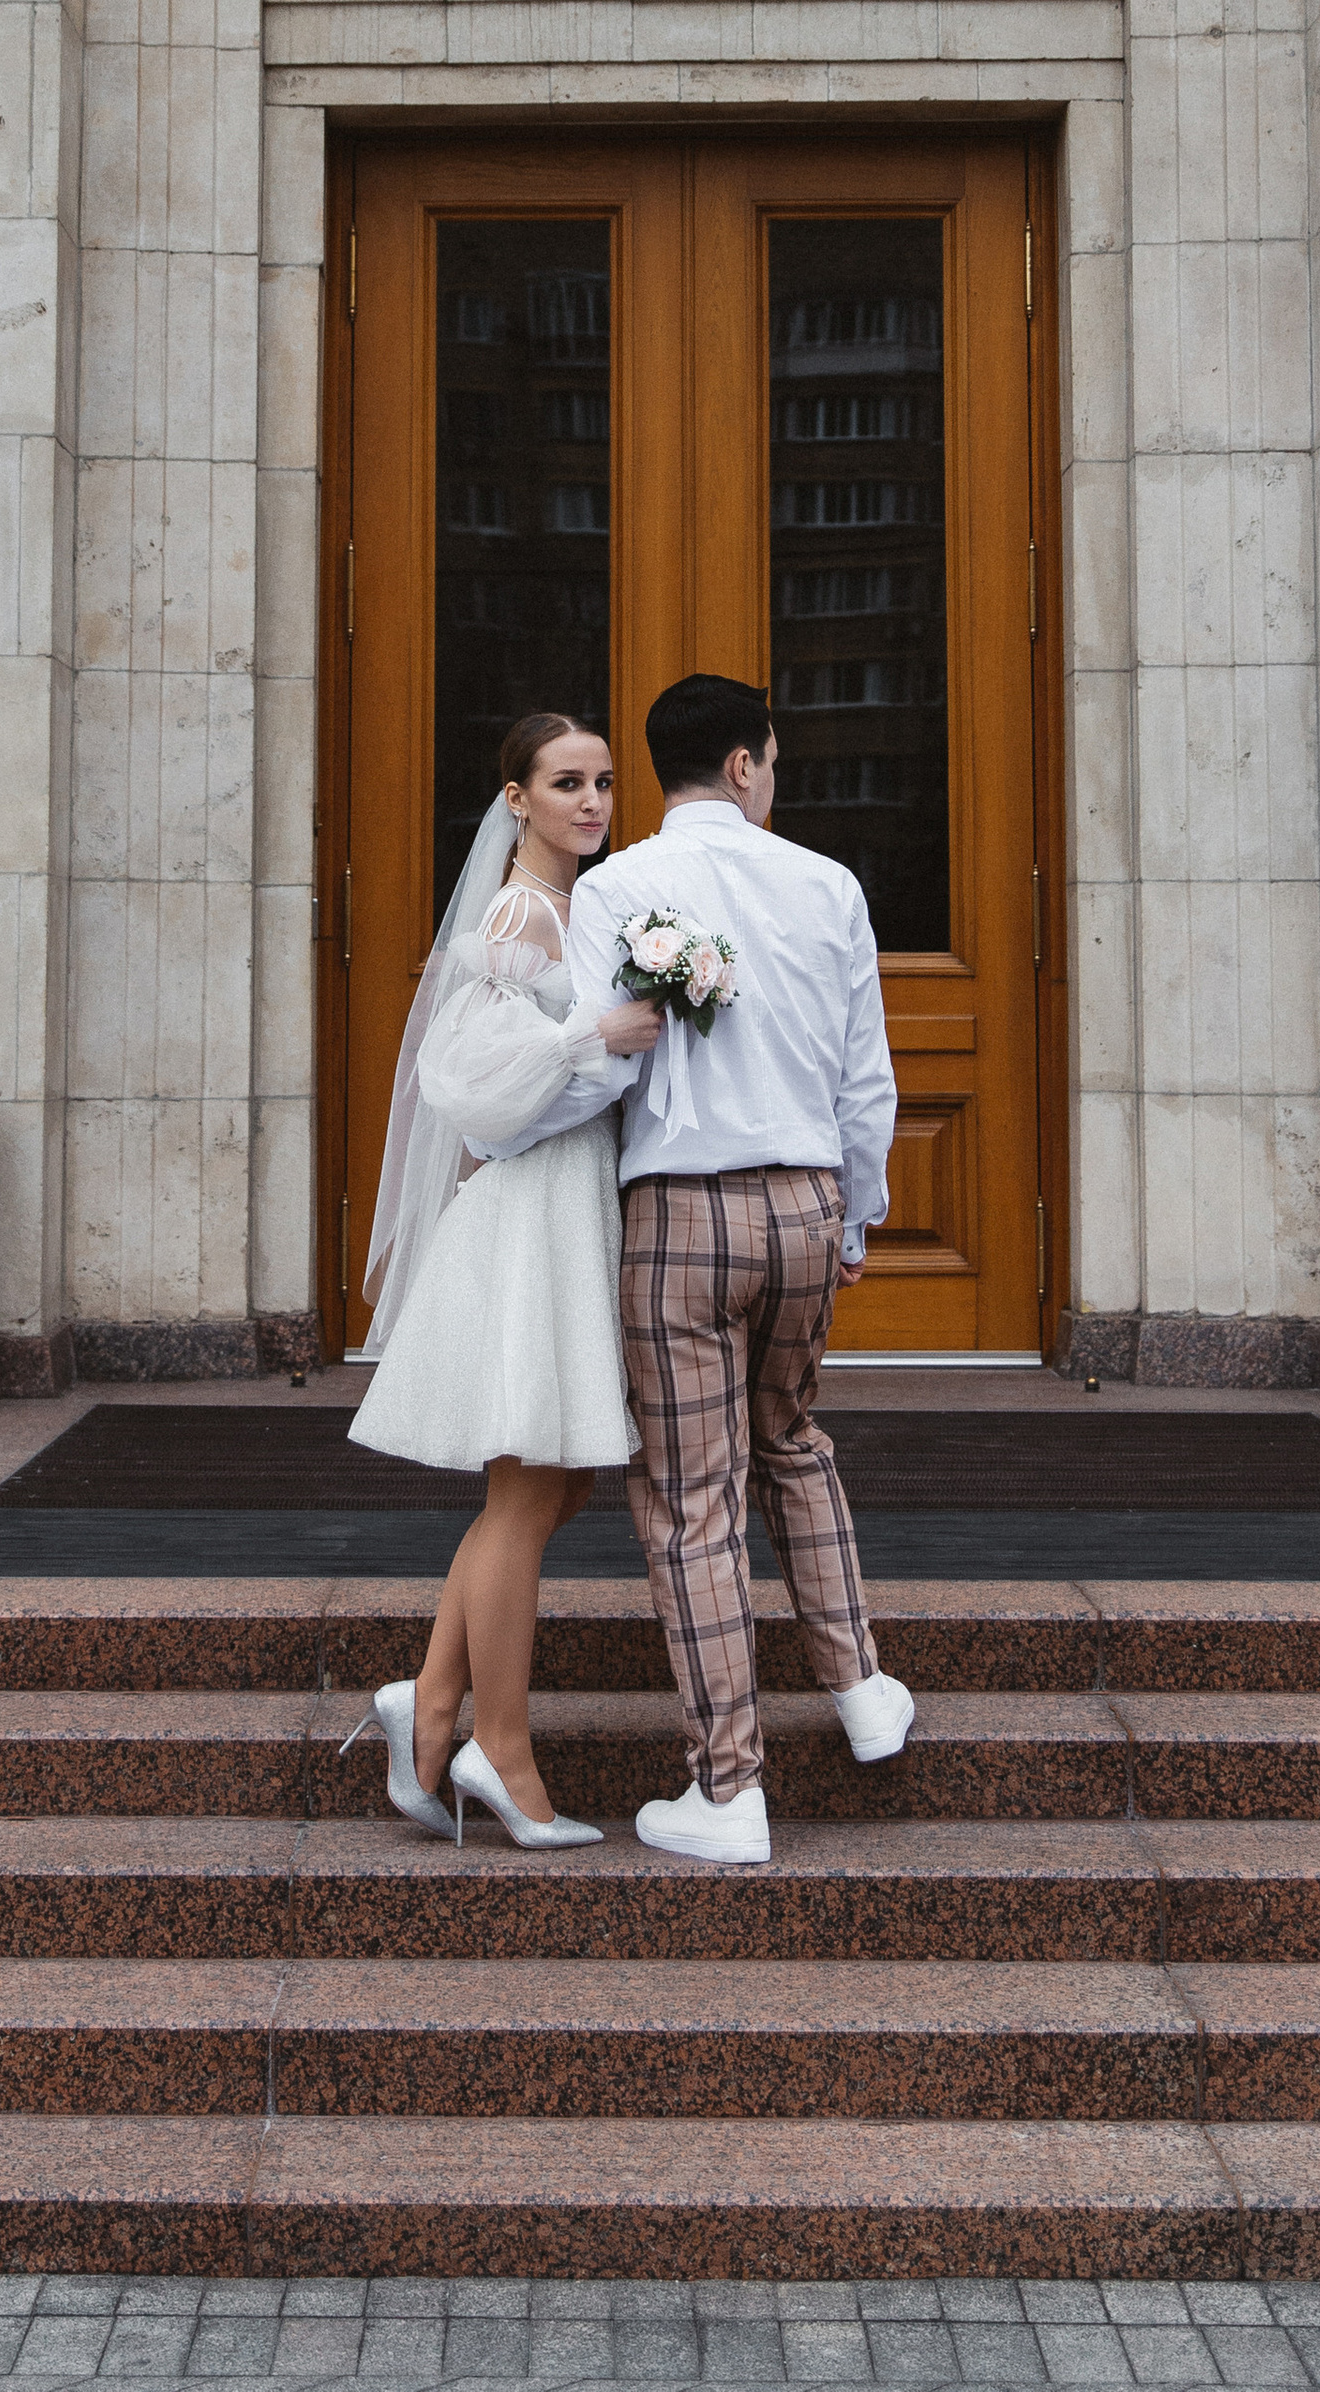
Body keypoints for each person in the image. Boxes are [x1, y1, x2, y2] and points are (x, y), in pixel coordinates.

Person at [506, 671, 914, 1865]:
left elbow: (602, 1069)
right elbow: (866, 1077)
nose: (770, 779)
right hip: (803, 1200)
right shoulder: (828, 885)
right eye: (769, 762)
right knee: (791, 1441)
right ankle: (860, 1689)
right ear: (743, 765)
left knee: (694, 1500)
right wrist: (855, 1216)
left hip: (681, 1213)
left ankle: (729, 1788)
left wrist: (508, 1130)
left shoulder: (616, 887)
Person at [343, 712, 664, 1850]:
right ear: (516, 799)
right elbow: (466, 1087)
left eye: (604, 781)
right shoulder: (520, 914)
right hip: (532, 1214)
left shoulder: (585, 908)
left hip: (573, 1204)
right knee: (528, 1494)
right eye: (566, 783)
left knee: (554, 1490)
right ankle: (503, 1750)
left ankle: (429, 1702)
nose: (593, 801)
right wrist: (591, 1039)